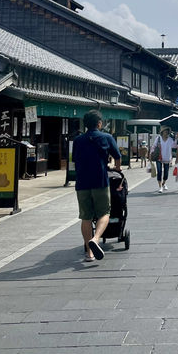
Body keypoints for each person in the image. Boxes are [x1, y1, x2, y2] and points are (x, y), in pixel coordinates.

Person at [72, 110, 121, 262]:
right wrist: (116, 168)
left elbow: (75, 160)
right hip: (100, 182)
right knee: (104, 213)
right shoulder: (106, 137)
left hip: (82, 183)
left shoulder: (78, 140)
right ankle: (96, 238)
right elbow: (118, 158)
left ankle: (89, 253)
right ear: (99, 124)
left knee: (85, 217)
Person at [151, 126, 174, 192]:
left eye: (167, 132)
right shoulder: (158, 138)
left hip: (167, 158)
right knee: (159, 172)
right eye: (165, 131)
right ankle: (160, 186)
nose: (166, 133)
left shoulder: (170, 139)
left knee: (166, 173)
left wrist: (177, 138)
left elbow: (175, 146)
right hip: (159, 157)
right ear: (162, 132)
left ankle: (164, 183)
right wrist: (151, 153)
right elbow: (154, 146)